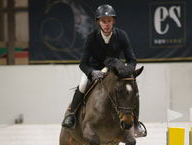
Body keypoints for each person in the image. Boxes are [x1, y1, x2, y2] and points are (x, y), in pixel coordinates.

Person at [61, 4, 147, 137]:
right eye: (103, 21)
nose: (106, 24)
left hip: (115, 71)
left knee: (131, 89)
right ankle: (72, 115)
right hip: (95, 70)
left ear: (113, 21)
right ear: (98, 22)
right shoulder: (91, 38)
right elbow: (82, 64)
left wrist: (125, 71)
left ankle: (136, 123)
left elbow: (132, 60)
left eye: (109, 21)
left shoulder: (121, 35)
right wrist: (92, 73)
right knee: (83, 85)